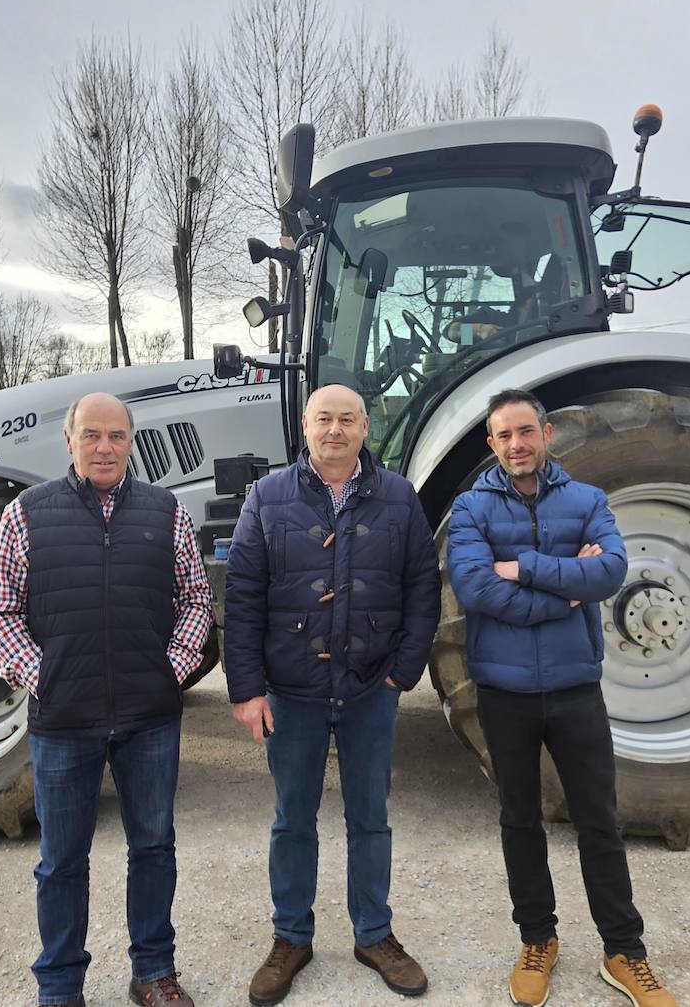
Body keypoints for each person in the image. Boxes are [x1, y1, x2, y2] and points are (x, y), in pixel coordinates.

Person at [447, 388, 678, 1007]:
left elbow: (609, 572)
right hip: (504, 691)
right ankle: (537, 939)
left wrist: (518, 566)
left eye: (526, 431)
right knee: (519, 819)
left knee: (599, 820)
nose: (516, 444)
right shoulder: (469, 509)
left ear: (546, 434)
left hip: (576, 690)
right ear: (491, 444)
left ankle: (624, 951)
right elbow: (472, 586)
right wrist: (566, 588)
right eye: (504, 436)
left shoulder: (588, 500)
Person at [0, 392, 212, 1007]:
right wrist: (44, 675)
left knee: (154, 848)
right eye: (91, 435)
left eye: (115, 436)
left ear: (131, 442)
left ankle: (153, 972)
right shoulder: (26, 514)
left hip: (149, 719)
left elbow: (195, 601)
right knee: (61, 862)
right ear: (69, 441)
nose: (104, 447)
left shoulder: (166, 513)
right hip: (63, 722)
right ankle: (60, 986)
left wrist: (173, 667)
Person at [223, 383, 441, 1006]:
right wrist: (246, 689)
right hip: (293, 693)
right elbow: (242, 597)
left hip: (372, 688)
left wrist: (403, 670)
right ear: (305, 425)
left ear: (366, 427)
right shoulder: (267, 498)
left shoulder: (398, 498)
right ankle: (291, 937)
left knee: (370, 818)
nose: (336, 430)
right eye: (325, 419)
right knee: (294, 820)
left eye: (348, 419)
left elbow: (424, 589)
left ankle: (374, 934)